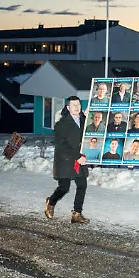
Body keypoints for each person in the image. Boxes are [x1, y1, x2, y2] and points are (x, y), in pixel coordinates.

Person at [45, 96, 90, 224]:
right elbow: (62, 145)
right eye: (74, 105)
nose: (77, 107)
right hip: (65, 159)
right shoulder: (61, 124)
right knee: (64, 187)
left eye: (78, 104)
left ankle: (77, 213)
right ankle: (51, 201)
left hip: (79, 159)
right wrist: (78, 157)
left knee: (82, 185)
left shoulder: (83, 120)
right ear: (68, 107)